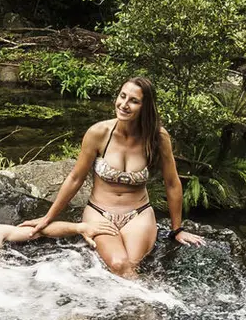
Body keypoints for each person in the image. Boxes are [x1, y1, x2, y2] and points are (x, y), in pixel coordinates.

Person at [19, 76, 205, 279]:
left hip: (138, 214)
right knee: (119, 264)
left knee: (131, 266)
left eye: (133, 101)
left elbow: (172, 183)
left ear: (145, 107)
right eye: (122, 96)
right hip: (100, 213)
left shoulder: (157, 137)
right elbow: (75, 178)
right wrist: (48, 218)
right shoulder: (98, 133)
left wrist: (177, 229)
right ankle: (149, 299)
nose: (124, 104)